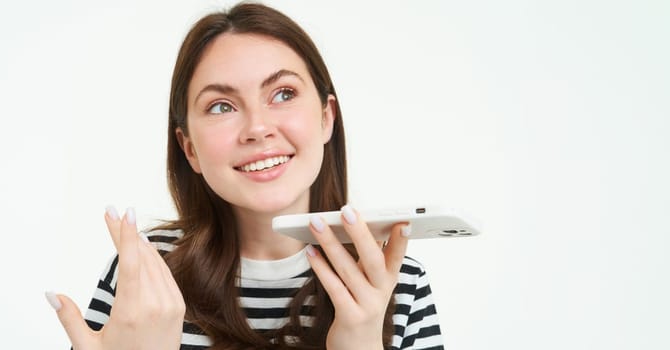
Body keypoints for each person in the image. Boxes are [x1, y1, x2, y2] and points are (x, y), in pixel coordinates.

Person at [45, 3, 443, 349]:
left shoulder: (395, 279)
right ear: (189, 149)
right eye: (221, 106)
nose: (257, 127)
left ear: (326, 118)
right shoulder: (146, 273)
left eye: (283, 94)